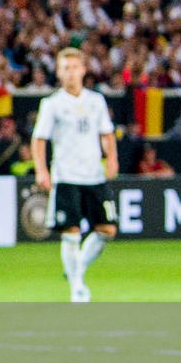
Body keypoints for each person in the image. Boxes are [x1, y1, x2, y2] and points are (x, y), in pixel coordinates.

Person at [32, 48, 118, 302]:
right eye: (65, 68)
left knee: (107, 229)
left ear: (83, 69)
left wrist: (111, 157)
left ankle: (76, 269)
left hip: (94, 174)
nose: (70, 73)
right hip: (67, 176)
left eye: (74, 67)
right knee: (70, 232)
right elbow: (39, 139)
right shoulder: (52, 104)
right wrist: (41, 169)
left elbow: (107, 133)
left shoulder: (96, 101)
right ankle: (77, 288)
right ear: (58, 72)